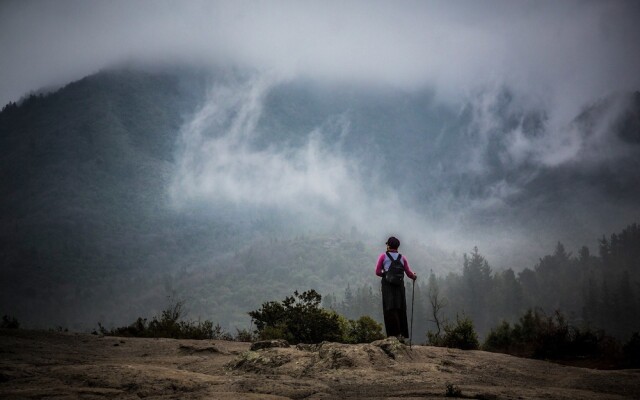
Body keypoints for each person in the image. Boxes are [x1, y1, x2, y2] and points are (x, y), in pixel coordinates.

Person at [375, 236, 417, 339]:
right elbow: (409, 273)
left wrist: (386, 274)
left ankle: (393, 335)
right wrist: (414, 276)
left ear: (388, 245)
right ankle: (402, 335)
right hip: (399, 287)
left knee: (389, 309)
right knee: (400, 308)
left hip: (388, 287)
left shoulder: (383, 256)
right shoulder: (402, 258)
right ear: (397, 247)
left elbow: (377, 272)